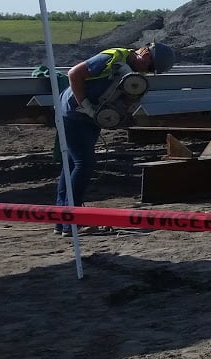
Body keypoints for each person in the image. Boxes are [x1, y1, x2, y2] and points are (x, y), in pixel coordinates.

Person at [55, 41, 177, 230]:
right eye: (149, 62)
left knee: (72, 164)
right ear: (145, 51)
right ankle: (72, 220)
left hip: (90, 118)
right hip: (74, 113)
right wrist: (86, 106)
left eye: (151, 68)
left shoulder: (134, 76)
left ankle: (62, 220)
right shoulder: (113, 58)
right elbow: (74, 74)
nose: (146, 67)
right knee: (84, 164)